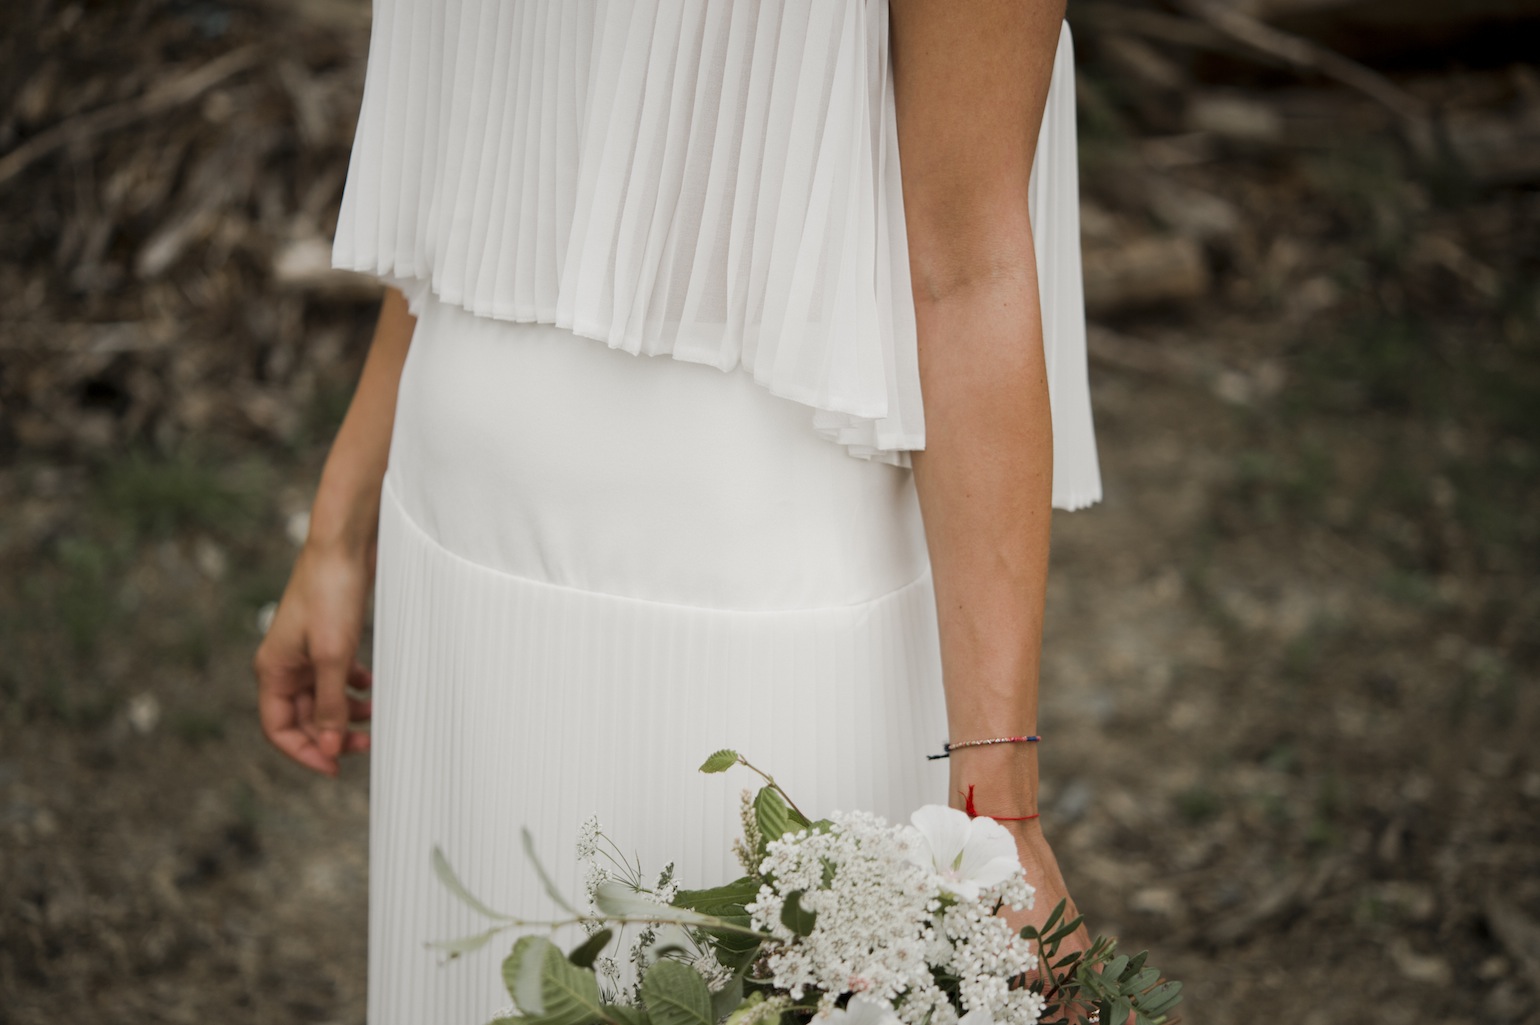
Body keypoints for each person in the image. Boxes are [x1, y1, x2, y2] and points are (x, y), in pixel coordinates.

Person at [253, 1, 1103, 1021]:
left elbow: (964, 264)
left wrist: (990, 814)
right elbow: (485, 162)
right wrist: (340, 525)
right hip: (597, 528)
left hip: (655, 529)